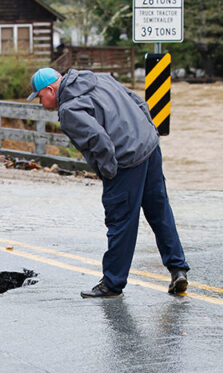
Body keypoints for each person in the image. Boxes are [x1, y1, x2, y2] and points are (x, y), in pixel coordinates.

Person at [26, 67, 189, 298]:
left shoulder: (69, 109)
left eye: (40, 97)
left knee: (120, 221)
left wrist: (109, 171)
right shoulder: (99, 78)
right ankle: (178, 269)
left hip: (125, 160)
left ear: (50, 89)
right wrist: (150, 132)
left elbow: (98, 140)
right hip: (149, 146)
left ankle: (112, 284)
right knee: (159, 210)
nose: (42, 103)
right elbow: (137, 101)